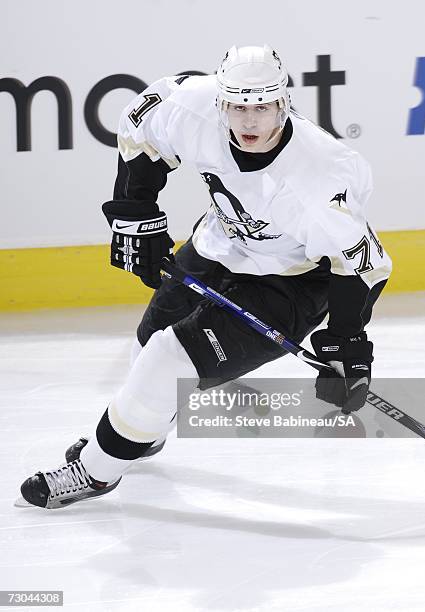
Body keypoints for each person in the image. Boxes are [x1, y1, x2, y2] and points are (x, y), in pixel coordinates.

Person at [17, 45, 391, 509]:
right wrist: (137, 214)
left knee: (165, 359)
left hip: (290, 282)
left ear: (284, 103)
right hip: (217, 246)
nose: (249, 121)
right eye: (237, 106)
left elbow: (363, 263)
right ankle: (145, 433)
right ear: (220, 102)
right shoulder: (191, 106)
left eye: (262, 107)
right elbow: (141, 121)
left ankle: (95, 471)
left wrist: (347, 346)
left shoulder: (321, 176)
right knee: (147, 341)